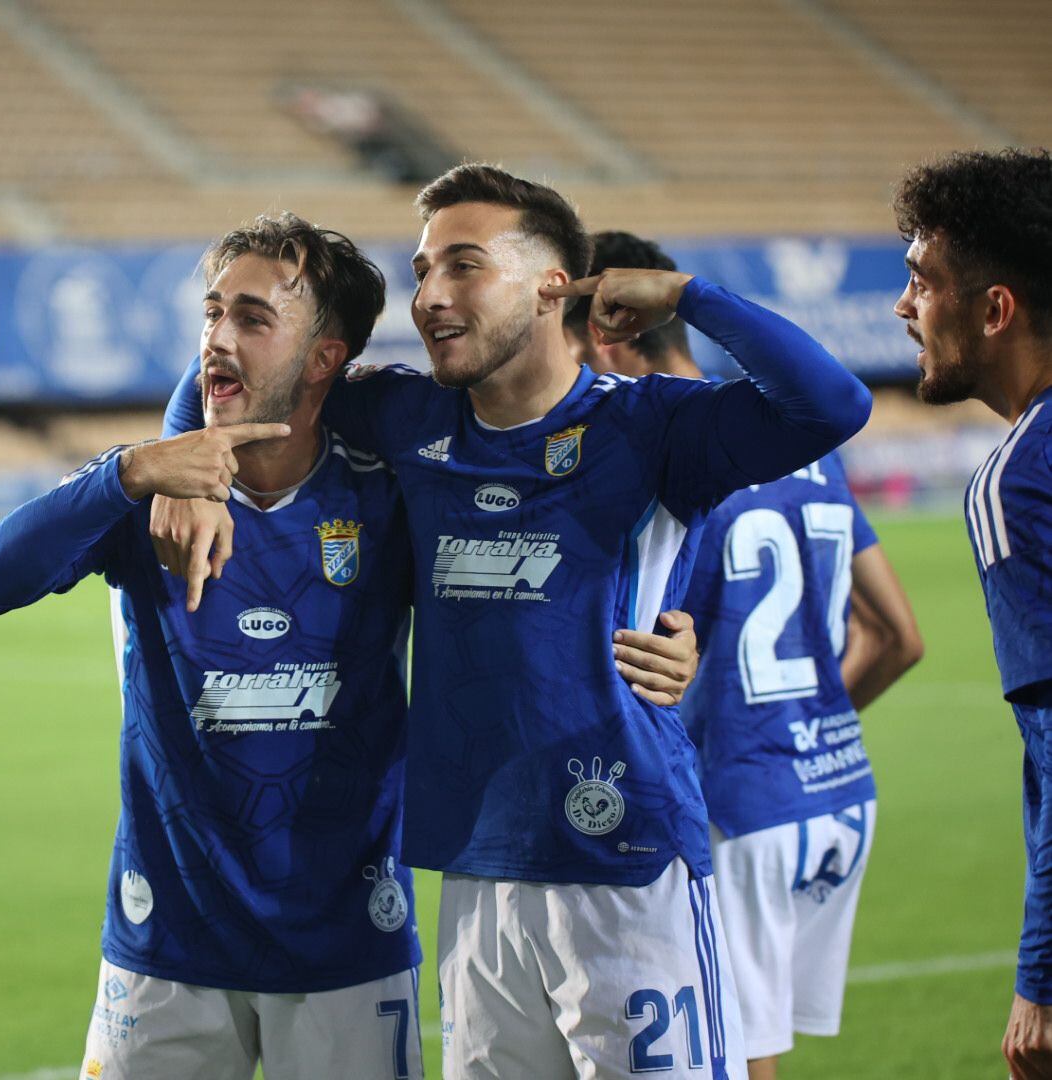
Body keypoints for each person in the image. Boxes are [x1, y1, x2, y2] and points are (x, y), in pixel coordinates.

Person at [160, 163, 873, 1078]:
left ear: (552, 287)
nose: (430, 295)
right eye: (422, 271)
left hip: (627, 858)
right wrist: (196, 455)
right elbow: (246, 359)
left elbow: (832, 405)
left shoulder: (653, 426)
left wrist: (693, 296)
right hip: (474, 869)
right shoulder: (406, 414)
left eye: (463, 265)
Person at [0, 213, 699, 1078]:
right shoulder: (142, 495)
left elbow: (533, 563)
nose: (216, 341)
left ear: (326, 360)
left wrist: (676, 636)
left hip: (349, 947)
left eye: (251, 319)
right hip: (164, 943)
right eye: (211, 315)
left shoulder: (393, 489)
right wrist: (138, 466)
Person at [570, 230, 924, 1078]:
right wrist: (804, 729)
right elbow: (899, 636)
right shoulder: (802, 448)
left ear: (609, 333)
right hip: (837, 794)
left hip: (742, 809)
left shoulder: (662, 458)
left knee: (732, 1055)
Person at [892, 147, 1052, 1080]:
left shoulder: (1020, 480)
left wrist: (1040, 974)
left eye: (920, 282)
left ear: (995, 310)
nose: (903, 308)